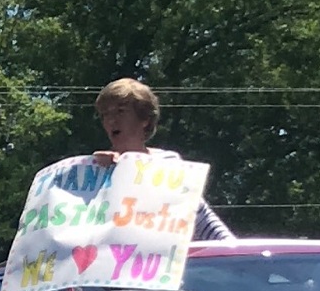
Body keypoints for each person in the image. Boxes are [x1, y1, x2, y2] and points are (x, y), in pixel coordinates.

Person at [92, 77, 234, 241]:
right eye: (105, 114)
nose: (111, 120)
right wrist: (94, 173)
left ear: (144, 119)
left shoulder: (168, 165)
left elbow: (199, 217)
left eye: (120, 111)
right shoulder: (96, 169)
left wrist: (235, 254)